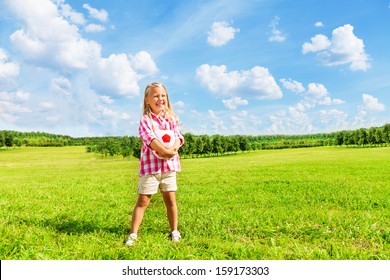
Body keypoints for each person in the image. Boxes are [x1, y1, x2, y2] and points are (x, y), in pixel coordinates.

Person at [126, 82, 184, 246]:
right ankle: (133, 234)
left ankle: (174, 231)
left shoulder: (171, 119)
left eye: (163, 95)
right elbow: (149, 138)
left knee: (170, 199)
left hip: (168, 167)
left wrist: (173, 148)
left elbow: (178, 137)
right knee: (143, 200)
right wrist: (162, 151)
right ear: (147, 100)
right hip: (151, 168)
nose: (160, 99)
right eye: (156, 96)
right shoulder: (146, 120)